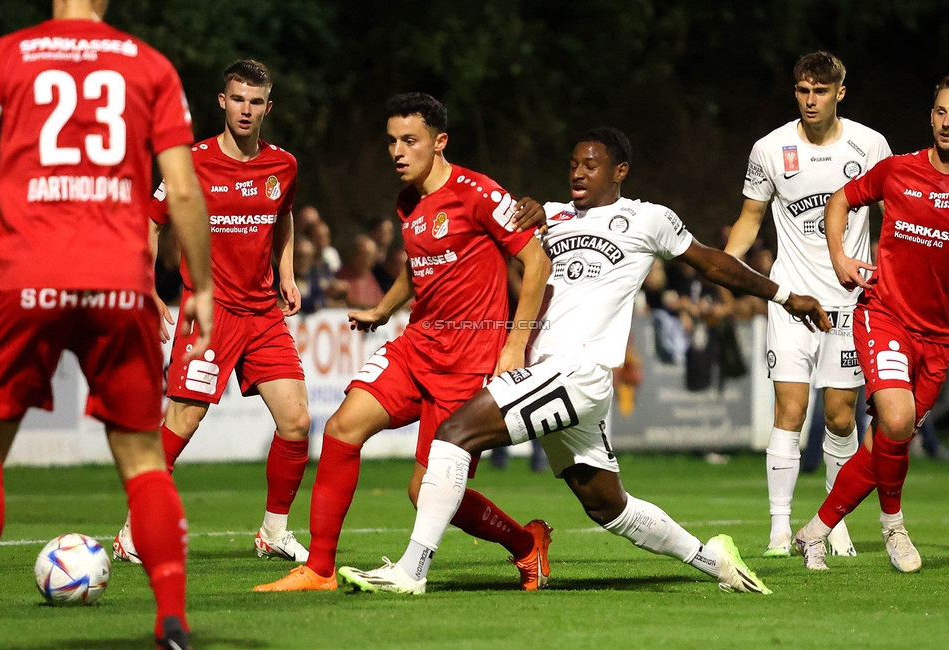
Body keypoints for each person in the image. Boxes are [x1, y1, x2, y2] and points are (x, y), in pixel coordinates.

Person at [337, 127, 831, 595]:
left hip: (577, 372)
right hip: (550, 376)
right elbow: (465, 242)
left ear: (620, 171)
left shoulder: (647, 219)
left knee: (452, 435)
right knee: (606, 505)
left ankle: (411, 570)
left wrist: (787, 296)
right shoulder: (548, 214)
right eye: (573, 164)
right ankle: (714, 560)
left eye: (591, 166)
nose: (577, 173)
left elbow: (714, 263)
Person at [254, 92, 552, 593]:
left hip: (467, 360)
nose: (397, 151)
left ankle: (526, 545)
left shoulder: (477, 192)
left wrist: (514, 346)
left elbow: (536, 262)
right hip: (417, 347)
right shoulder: (409, 201)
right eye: (391, 141)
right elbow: (421, 266)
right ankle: (320, 569)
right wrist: (383, 309)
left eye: (409, 141)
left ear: (440, 143)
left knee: (424, 493)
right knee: (343, 428)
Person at [0, 1, 213, 648]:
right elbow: (180, 190)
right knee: (143, 458)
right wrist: (199, 283)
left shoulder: (9, 55)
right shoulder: (148, 65)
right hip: (119, 282)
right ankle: (171, 621)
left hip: (24, 271)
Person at [113, 60, 312, 565]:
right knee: (185, 416)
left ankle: (274, 531)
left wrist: (285, 272)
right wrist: (149, 287)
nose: (246, 110)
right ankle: (132, 529)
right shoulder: (192, 161)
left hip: (263, 312)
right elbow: (150, 223)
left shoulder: (282, 165)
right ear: (222, 102)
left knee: (297, 421)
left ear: (269, 107)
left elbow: (283, 214)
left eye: (256, 101)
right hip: (210, 310)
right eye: (237, 99)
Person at [794, 75, 949, 573]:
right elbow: (840, 200)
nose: (947, 122)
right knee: (894, 420)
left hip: (939, 337)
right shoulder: (898, 170)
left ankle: (814, 532)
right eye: (941, 111)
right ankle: (893, 527)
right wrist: (840, 257)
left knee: (884, 444)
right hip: (884, 315)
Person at [724, 51, 891, 557]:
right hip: (792, 300)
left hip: (851, 302)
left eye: (820, 91)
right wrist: (727, 264)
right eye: (802, 90)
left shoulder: (870, 144)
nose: (810, 99)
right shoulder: (770, 148)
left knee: (841, 418)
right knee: (789, 411)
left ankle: (832, 521)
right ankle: (779, 529)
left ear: (841, 92)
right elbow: (752, 216)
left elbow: (893, 217)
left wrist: (889, 275)